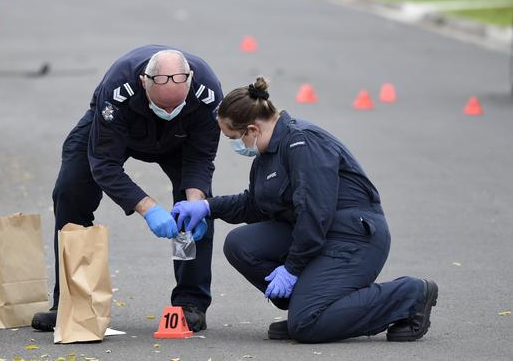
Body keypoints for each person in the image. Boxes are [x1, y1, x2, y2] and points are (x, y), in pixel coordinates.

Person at [172, 77, 438, 343]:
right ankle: (313, 307)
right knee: (240, 244)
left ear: (252, 129)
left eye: (233, 137)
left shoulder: (304, 142)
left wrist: (292, 268)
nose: (235, 145)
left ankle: (409, 295)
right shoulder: (267, 156)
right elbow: (255, 205)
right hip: (321, 234)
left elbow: (315, 212)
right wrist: (205, 206)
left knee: (306, 325)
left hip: (354, 239)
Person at [31, 45, 223, 332]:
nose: (168, 112)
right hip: (119, 130)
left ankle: (190, 302)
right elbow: (105, 164)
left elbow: (200, 157)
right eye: (162, 106)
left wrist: (194, 201)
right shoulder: (118, 88)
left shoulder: (208, 92)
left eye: (175, 107)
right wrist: (148, 209)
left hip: (180, 140)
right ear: (144, 82)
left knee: (198, 206)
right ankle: (72, 301)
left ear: (191, 79)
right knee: (70, 191)